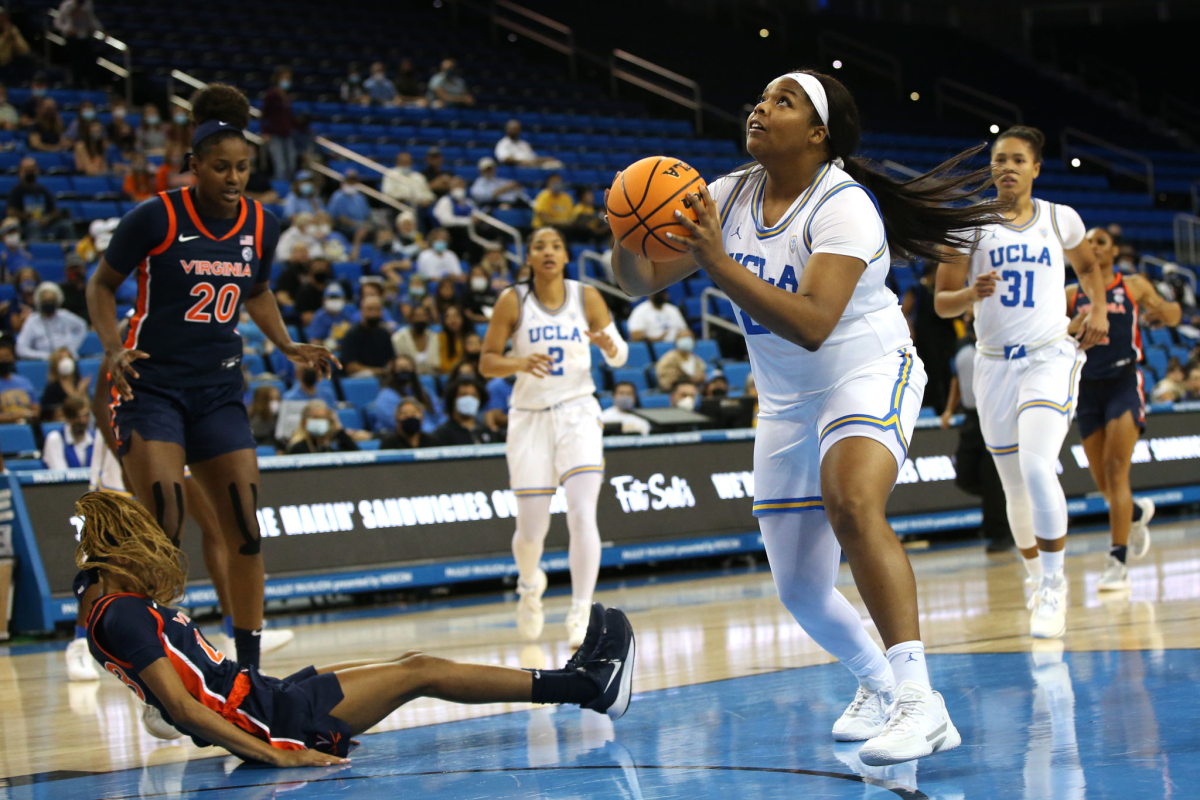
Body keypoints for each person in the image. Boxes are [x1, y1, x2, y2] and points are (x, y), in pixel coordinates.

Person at [611, 69, 1007, 764]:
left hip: (866, 370)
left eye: (783, 101)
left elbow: (816, 323)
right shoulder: (727, 196)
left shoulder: (844, 204)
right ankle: (879, 685)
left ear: (818, 134)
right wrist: (630, 227)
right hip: (788, 401)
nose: (762, 107)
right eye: (761, 97)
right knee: (798, 587)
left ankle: (921, 701)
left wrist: (714, 260)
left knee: (852, 502)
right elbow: (638, 280)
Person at [75, 489, 635, 759]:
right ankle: (585, 686)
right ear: (115, 550)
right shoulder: (118, 612)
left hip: (267, 698)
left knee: (405, 663)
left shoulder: (119, 608)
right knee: (422, 671)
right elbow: (180, 710)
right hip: (272, 721)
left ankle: (580, 680)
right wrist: (275, 752)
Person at [85, 82, 338, 672]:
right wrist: (112, 347)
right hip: (153, 389)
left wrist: (285, 342)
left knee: (245, 528)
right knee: (165, 527)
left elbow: (257, 288)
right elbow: (100, 285)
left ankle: (247, 672)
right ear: (194, 165)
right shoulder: (155, 216)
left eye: (243, 167)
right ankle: (154, 664)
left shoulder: (263, 224)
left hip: (219, 391)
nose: (233, 177)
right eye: (220, 167)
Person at [935, 125, 1110, 641]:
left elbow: (1088, 266)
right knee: (1012, 483)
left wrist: (1097, 307)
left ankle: (1055, 584)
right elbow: (942, 303)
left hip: (1048, 356)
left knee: (1037, 466)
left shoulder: (1061, 219)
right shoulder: (968, 224)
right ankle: (1036, 579)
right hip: (993, 364)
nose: (1006, 167)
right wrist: (970, 293)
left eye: (1017, 160)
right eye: (998, 160)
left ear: (1036, 168)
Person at [481, 227, 629, 648]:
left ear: (566, 256)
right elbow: (487, 363)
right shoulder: (513, 300)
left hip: (578, 413)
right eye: (539, 247)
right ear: (528, 257)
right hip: (529, 419)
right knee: (531, 532)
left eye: (556, 246)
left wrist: (608, 344)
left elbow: (621, 356)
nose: (548, 252)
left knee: (583, 514)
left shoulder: (586, 297)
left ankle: (581, 612)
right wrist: (520, 362)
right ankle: (530, 588)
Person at [1068, 226, 1180, 591]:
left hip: (1123, 385)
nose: (1094, 248)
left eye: (1100, 242)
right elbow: (1055, 333)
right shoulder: (1071, 293)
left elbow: (1173, 314)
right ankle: (1132, 514)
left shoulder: (1133, 285)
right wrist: (1074, 325)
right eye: (1089, 243)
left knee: (1117, 472)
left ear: (1114, 250)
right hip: (1085, 389)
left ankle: (1117, 560)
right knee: (1102, 480)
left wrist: (1165, 312)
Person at [940, 327, 1013, 553]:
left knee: (992, 480)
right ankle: (1004, 500)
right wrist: (949, 409)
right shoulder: (961, 345)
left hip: (995, 414)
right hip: (971, 417)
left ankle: (1001, 534)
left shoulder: (999, 341)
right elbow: (956, 379)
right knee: (965, 474)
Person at [902, 262, 958, 412]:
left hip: (943, 338)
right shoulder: (916, 289)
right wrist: (910, 330)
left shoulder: (940, 291)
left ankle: (947, 406)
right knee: (928, 372)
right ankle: (928, 406)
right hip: (925, 338)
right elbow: (904, 312)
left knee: (945, 370)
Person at [16, 281, 87, 359]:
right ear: (39, 301)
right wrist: (46, 356)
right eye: (45, 301)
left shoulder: (65, 316)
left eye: (51, 300)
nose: (48, 303)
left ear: (57, 301)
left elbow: (82, 326)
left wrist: (72, 348)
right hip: (44, 363)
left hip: (67, 359)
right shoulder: (32, 321)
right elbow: (21, 349)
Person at [7, 157, 70, 242]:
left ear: (36, 170)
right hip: (25, 225)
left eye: (32, 169)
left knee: (66, 225)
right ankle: (36, 250)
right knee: (34, 225)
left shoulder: (42, 190)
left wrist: (46, 219)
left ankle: (70, 252)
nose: (30, 173)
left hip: (45, 223)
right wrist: (29, 219)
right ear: (20, 172)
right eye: (27, 170)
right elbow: (11, 211)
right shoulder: (16, 191)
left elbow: (55, 212)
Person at [371, 355, 435, 432]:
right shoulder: (386, 396)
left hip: (431, 435)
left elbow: (439, 414)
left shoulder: (424, 392)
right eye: (400, 368)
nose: (404, 370)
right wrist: (428, 431)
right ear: (393, 371)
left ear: (414, 370)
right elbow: (394, 422)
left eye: (407, 367)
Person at [340, 295, 395, 377]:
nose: (373, 313)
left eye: (377, 309)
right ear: (362, 311)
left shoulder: (385, 334)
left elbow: (391, 360)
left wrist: (389, 368)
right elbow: (350, 366)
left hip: (383, 377)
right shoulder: (352, 335)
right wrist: (377, 371)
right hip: (359, 379)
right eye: (370, 309)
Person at [434, 377, 499, 445]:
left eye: (474, 395)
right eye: (463, 395)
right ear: (453, 400)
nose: (469, 399)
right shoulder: (442, 435)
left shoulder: (487, 431)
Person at [261, 66, 296, 181]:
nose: (286, 80)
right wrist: (265, 132)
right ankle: (280, 192)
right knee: (280, 165)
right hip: (274, 134)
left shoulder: (287, 96)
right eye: (284, 77)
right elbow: (265, 115)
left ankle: (289, 191)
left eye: (288, 78)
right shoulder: (271, 95)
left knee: (291, 163)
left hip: (287, 133)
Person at [41, 394, 93, 468]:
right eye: (78, 417)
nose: (83, 421)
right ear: (68, 418)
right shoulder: (55, 439)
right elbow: (60, 473)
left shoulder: (94, 438)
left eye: (86, 416)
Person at [286, 400, 357, 454]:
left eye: (323, 418)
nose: (320, 421)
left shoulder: (328, 446)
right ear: (305, 422)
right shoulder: (297, 448)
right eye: (316, 418)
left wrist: (339, 430)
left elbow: (356, 456)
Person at [39, 345, 89, 419]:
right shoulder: (52, 388)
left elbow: (87, 409)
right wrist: (79, 393)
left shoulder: (78, 383)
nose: (66, 361)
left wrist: (83, 393)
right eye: (61, 359)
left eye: (68, 357)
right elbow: (58, 414)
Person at [305, 283, 359, 348]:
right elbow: (313, 341)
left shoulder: (350, 312)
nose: (334, 301)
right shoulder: (319, 317)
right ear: (323, 301)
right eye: (331, 298)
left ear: (344, 299)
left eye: (337, 298)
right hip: (329, 352)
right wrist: (326, 344)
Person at [391, 306, 440, 377]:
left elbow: (437, 365)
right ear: (410, 319)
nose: (420, 319)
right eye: (417, 316)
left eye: (424, 315)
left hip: (432, 378)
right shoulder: (398, 338)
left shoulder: (435, 338)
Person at [0, 336, 38, 423]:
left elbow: (35, 408)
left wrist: (29, 416)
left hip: (27, 424)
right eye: (0, 357)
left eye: (7, 356)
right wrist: (17, 417)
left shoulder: (24, 381)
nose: (4, 360)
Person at [327, 170, 372, 238]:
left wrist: (366, 224)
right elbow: (338, 218)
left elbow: (367, 214)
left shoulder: (360, 197)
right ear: (344, 182)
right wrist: (357, 224)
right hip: (345, 227)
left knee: (379, 231)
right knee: (361, 231)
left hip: (361, 225)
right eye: (349, 181)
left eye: (353, 181)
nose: (351, 184)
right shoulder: (337, 196)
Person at [247, 384, 281, 450]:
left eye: (277, 399)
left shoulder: (278, 417)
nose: (275, 402)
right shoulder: (254, 419)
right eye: (271, 399)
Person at [436, 304, 467, 376]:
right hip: (450, 375)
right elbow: (442, 365)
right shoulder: (440, 338)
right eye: (448, 317)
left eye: (456, 316)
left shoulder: (471, 337)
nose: (452, 320)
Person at [59, 254, 89, 323]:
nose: (75, 272)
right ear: (66, 271)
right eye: (72, 269)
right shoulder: (59, 291)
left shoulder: (90, 292)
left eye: (78, 268)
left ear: (84, 270)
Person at [0, 11, 30, 78]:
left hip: (8, 66)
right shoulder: (7, 33)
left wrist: (15, 35)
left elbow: (25, 49)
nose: (2, 21)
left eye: (3, 18)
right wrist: (5, 36)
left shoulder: (12, 30)